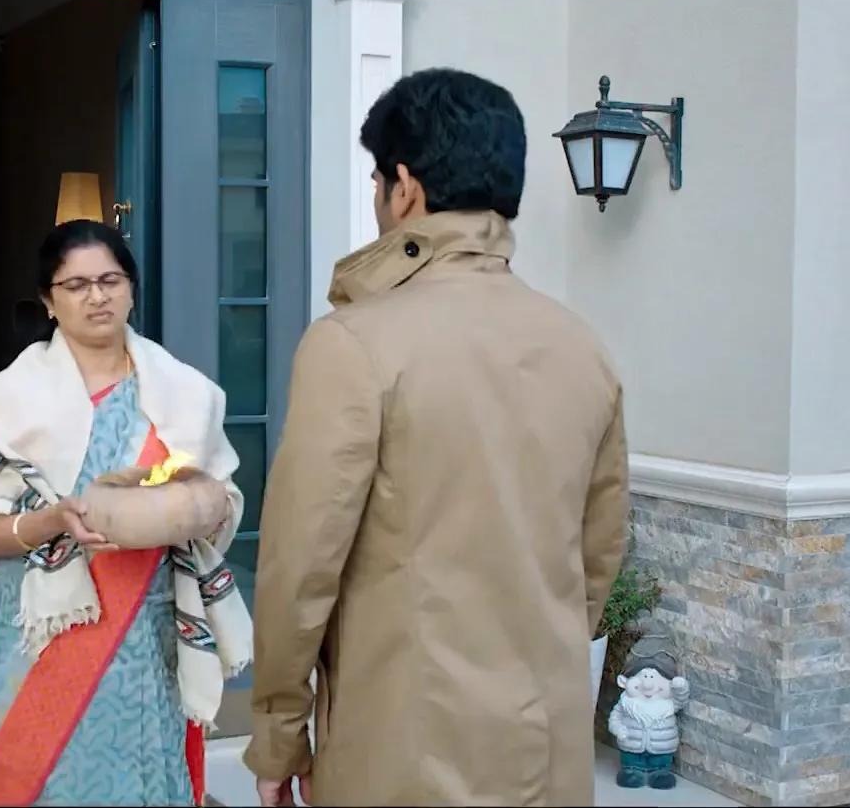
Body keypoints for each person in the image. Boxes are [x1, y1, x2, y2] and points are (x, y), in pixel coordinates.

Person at [244, 67, 631, 806]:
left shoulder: (352, 345)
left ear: (405, 187)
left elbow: (300, 569)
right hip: (544, 745)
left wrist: (279, 735)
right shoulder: (582, 347)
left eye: (376, 179)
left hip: (402, 748)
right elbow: (597, 557)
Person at [0, 219, 253, 807]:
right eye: (76, 285)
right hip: (48, 633)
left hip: (150, 629)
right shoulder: (8, 403)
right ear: (48, 301)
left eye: (110, 280)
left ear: (132, 289)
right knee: (48, 780)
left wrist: (201, 508)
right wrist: (53, 521)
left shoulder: (184, 394)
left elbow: (223, 501)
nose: (97, 296)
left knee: (149, 771)